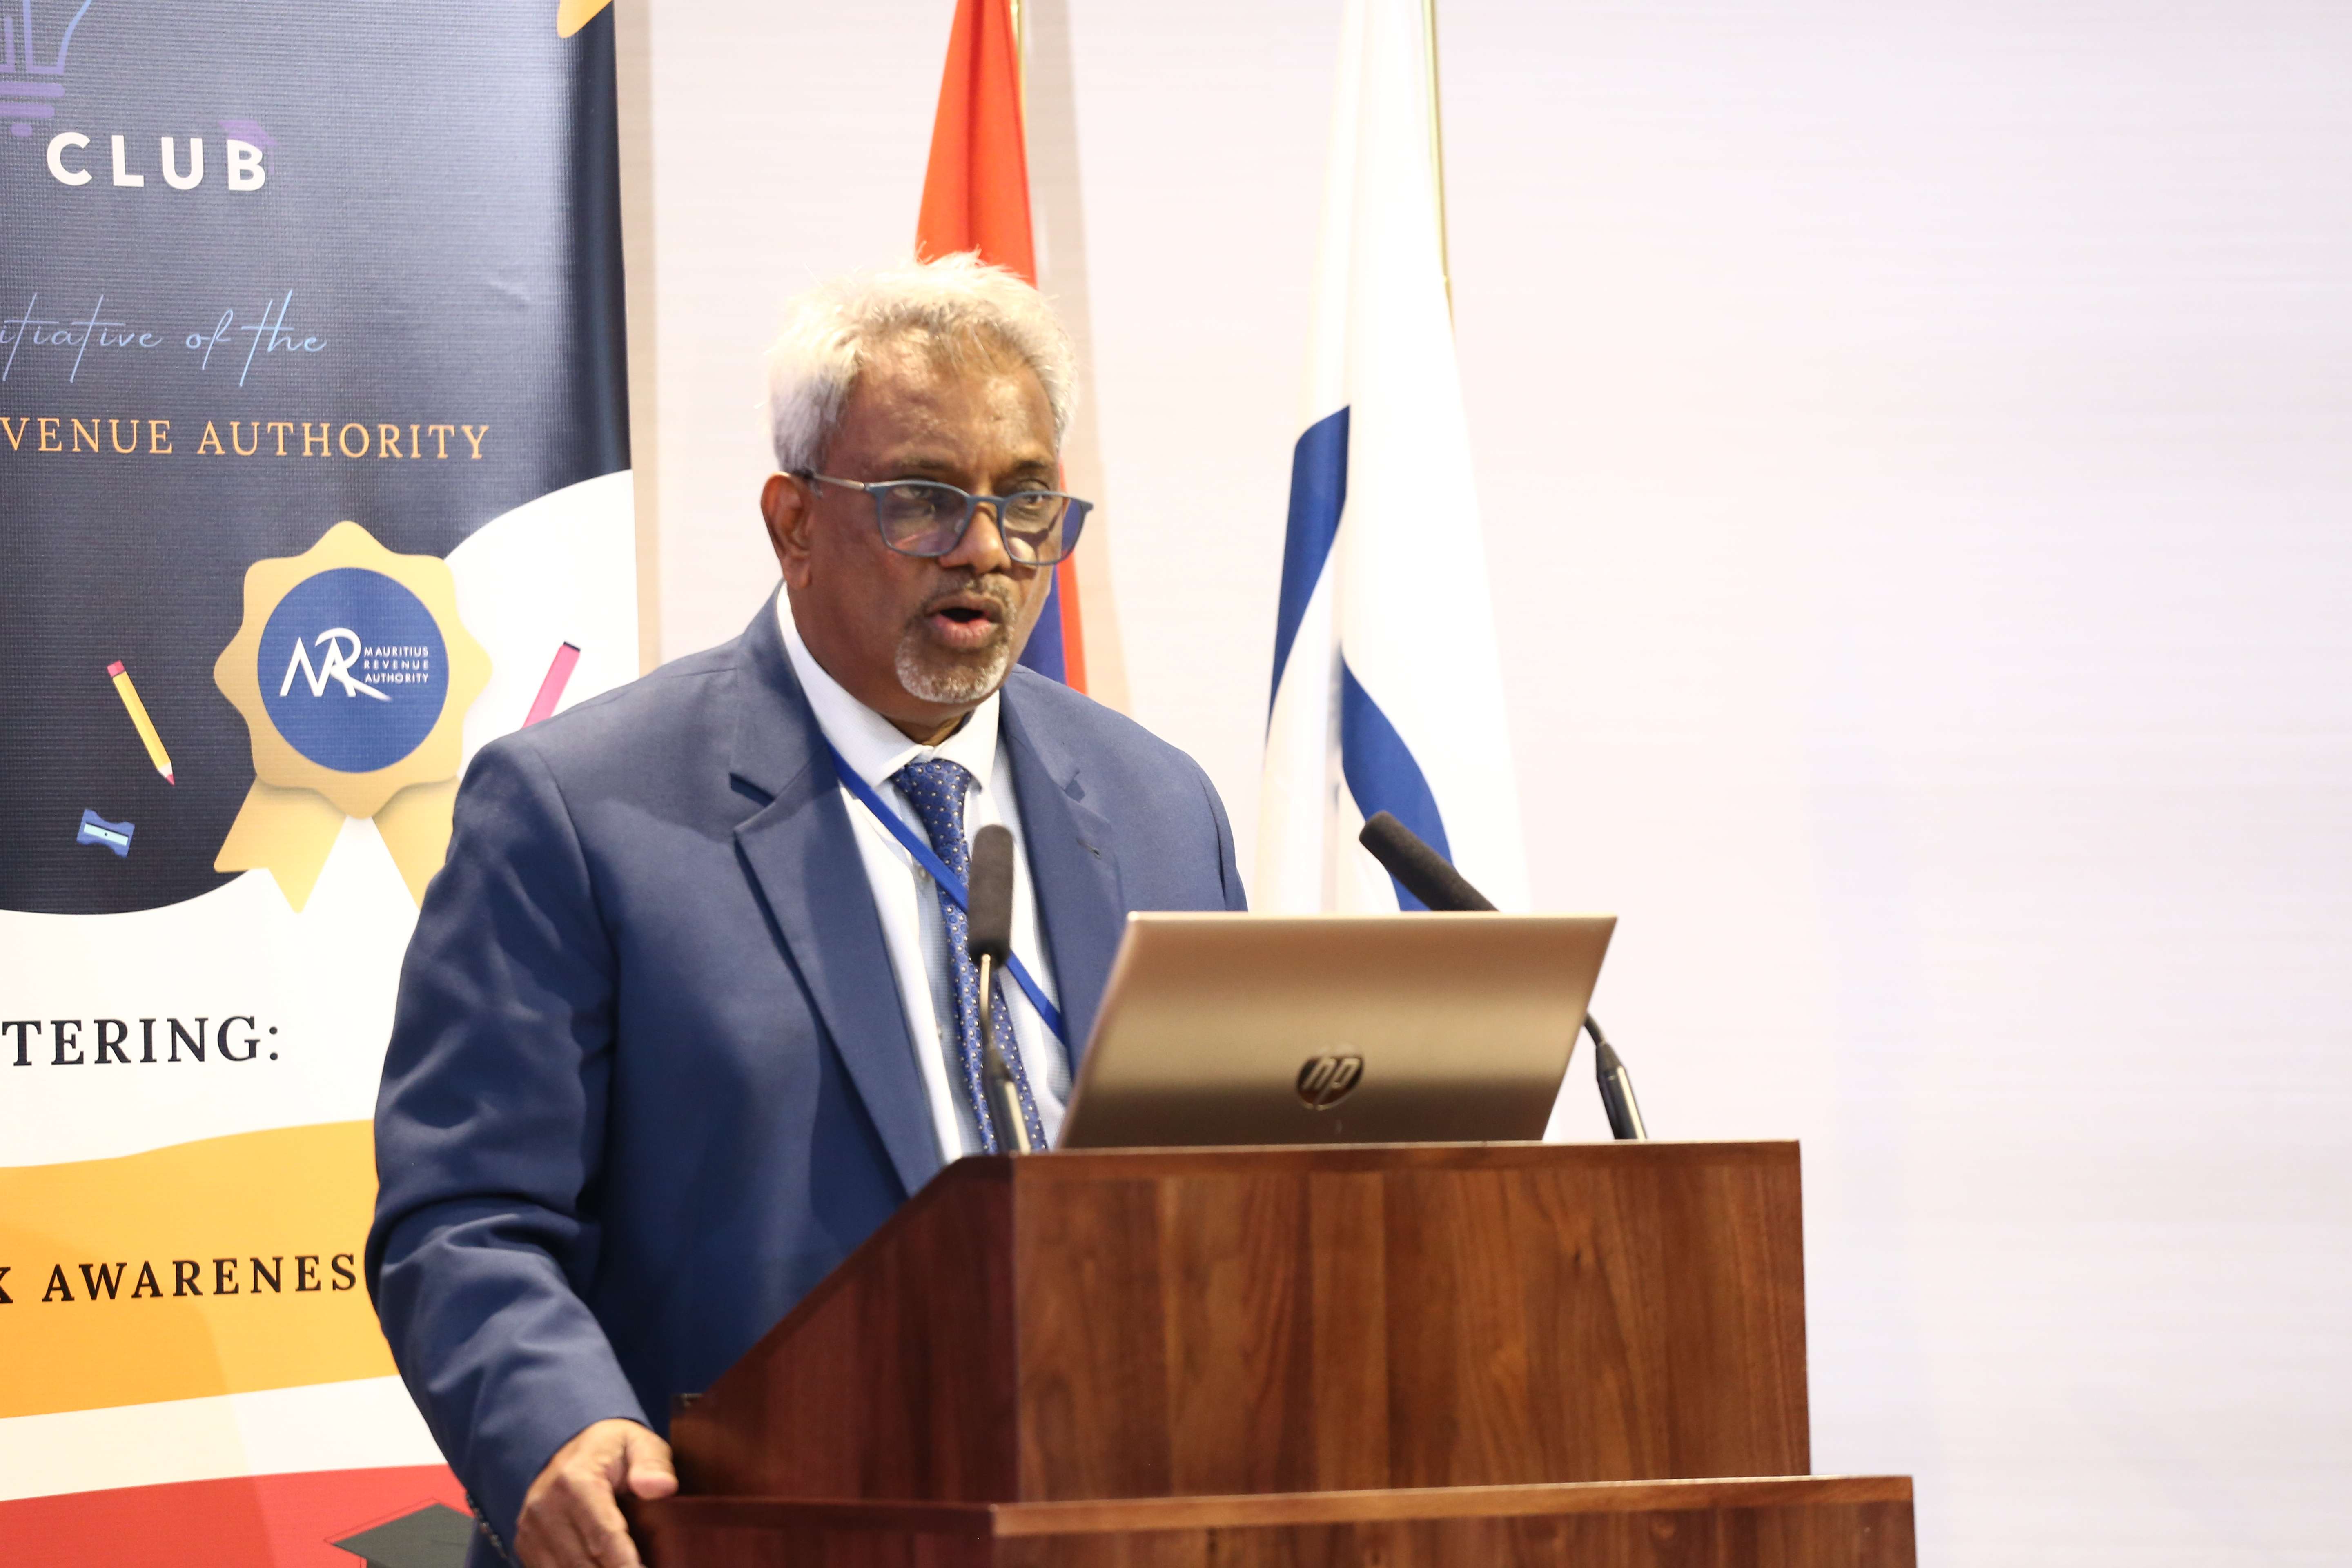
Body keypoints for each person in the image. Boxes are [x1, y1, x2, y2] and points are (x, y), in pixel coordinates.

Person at [365, 256, 1246, 1568]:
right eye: (923, 502)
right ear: (793, 524)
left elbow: (1234, 1190)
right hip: (742, 1526)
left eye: (1025, 502)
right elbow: (464, 1214)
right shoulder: (580, 809)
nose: (986, 551)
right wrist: (558, 1427)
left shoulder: (1159, 804)